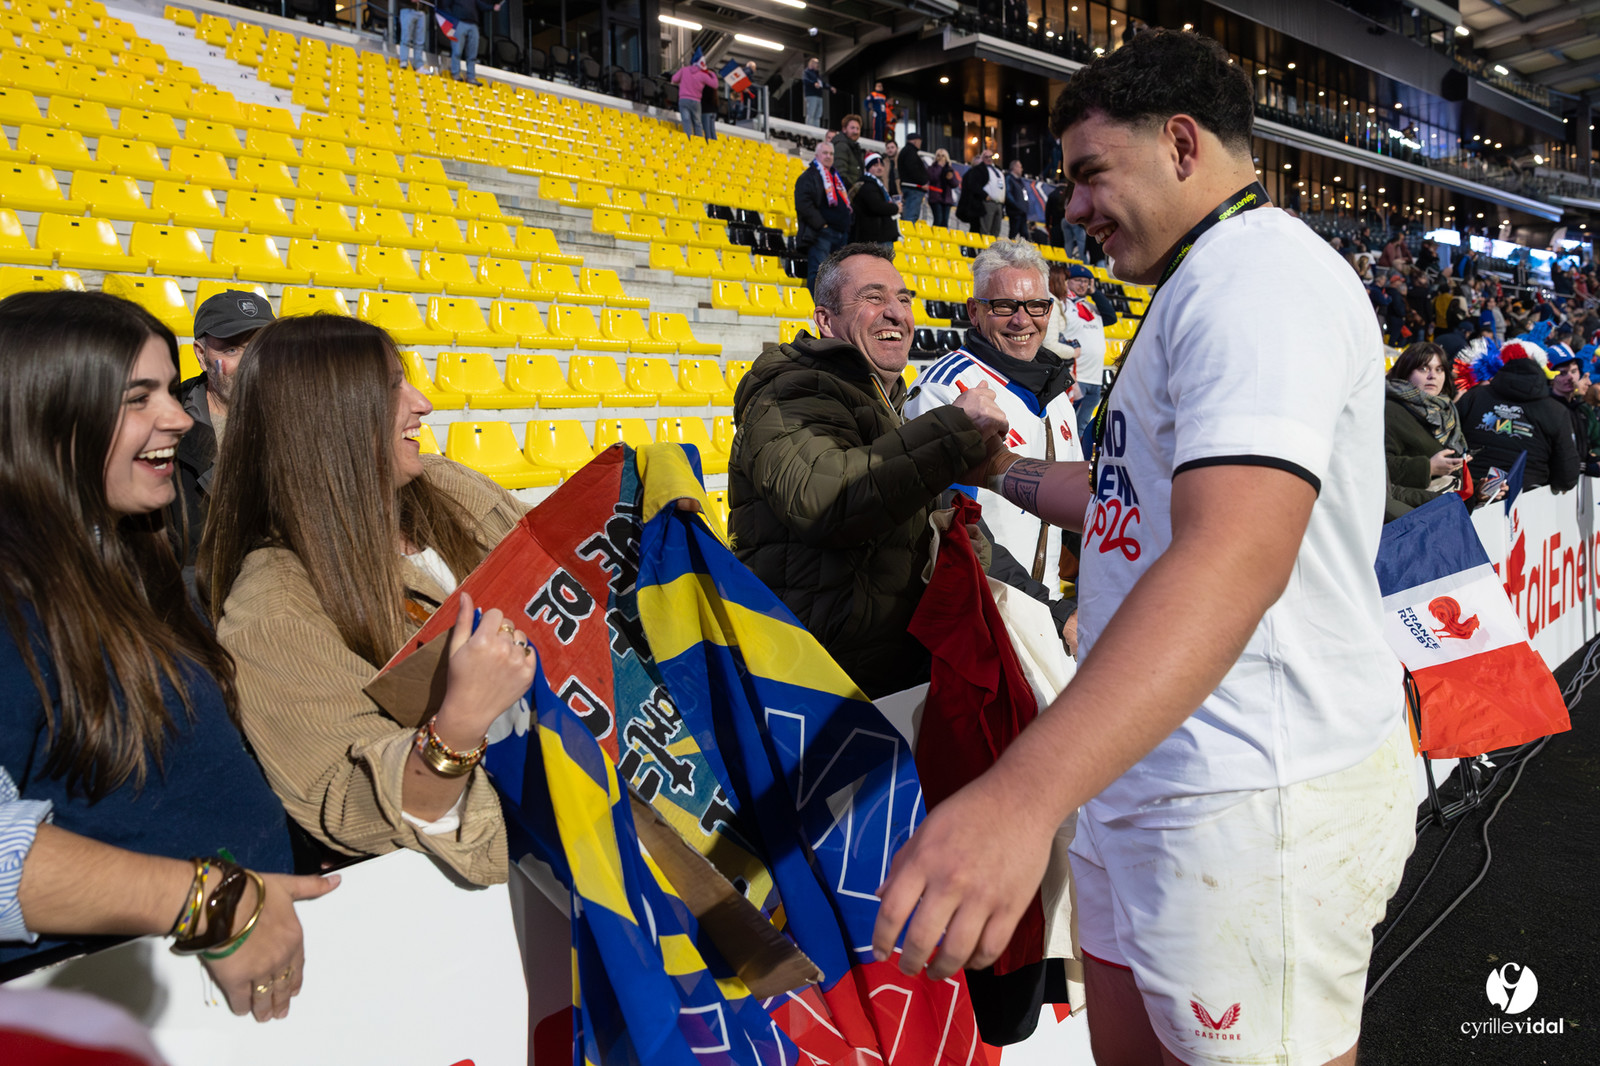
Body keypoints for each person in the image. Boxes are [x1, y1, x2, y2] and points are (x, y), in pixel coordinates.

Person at [873, 31, 1415, 1066]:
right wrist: (999, 473)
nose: (1070, 207)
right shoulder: (1207, 280)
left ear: (1178, 144)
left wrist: (1024, 795)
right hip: (1154, 770)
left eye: (1087, 175)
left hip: (1253, 790)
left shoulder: (1257, 281)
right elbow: (1131, 500)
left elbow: (1231, 556)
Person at [0, 291, 337, 1020]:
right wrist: (208, 904)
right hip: (98, 1014)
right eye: (137, 398)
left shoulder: (129, 554)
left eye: (171, 390)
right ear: (40, 413)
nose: (180, 419)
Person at [199, 316, 537, 889]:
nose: (423, 404)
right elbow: (347, 801)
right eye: (391, 389)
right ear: (325, 417)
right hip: (517, 889)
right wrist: (458, 724)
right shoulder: (272, 609)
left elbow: (564, 571)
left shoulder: (448, 485)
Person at [727, 244, 1008, 699]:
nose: (895, 312)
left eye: (903, 299)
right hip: (814, 688)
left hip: (882, 679)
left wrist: (945, 544)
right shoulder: (790, 391)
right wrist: (955, 429)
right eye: (873, 298)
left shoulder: (883, 403)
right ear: (824, 320)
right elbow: (826, 500)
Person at [905, 238, 1080, 646]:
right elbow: (957, 527)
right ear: (974, 311)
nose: (1023, 321)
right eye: (1004, 306)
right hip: (981, 621)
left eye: (1036, 306)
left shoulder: (1058, 399)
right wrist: (1049, 610)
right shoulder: (945, 390)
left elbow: (1074, 514)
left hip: (1042, 618)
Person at [171, 290, 276, 572]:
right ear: (202, 355)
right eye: (231, 349)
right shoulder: (165, 423)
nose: (248, 364)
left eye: (259, 349)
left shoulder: (301, 419)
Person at [1457, 339, 1580, 495]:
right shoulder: (1556, 410)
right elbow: (1566, 476)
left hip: (1470, 498)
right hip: (1526, 502)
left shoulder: (1473, 396)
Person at [1384, 342, 1470, 516]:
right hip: (1412, 514)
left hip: (1446, 505)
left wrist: (1481, 487)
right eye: (1423, 369)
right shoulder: (1390, 409)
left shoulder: (1446, 409)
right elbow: (1379, 467)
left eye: (1439, 369)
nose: (1433, 376)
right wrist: (1428, 468)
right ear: (1406, 372)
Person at [1048, 263, 1116, 446]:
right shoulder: (1063, 305)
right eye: (1078, 280)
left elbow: (1112, 317)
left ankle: (1078, 460)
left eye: (1086, 282)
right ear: (1067, 281)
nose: (1082, 285)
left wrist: (1094, 292)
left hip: (1095, 377)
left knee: (1084, 425)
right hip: (1077, 377)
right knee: (1067, 424)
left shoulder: (1092, 307)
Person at [795, 139, 853, 293]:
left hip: (840, 233)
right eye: (825, 153)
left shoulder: (835, 177)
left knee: (837, 277)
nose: (829, 156)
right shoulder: (809, 176)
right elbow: (803, 204)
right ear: (816, 155)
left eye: (831, 153)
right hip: (822, 233)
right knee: (819, 273)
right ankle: (816, 309)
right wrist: (822, 225)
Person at [1547, 347, 1600, 476]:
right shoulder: (1546, 408)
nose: (1571, 377)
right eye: (1562, 373)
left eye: (1574, 371)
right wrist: (1585, 466)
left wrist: (1592, 459)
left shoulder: (1581, 409)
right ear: (1551, 378)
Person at [849, 152, 899, 249]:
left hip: (879, 236)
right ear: (868, 168)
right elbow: (877, 206)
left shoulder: (877, 184)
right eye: (875, 165)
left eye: (881, 165)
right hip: (875, 238)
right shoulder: (868, 185)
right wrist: (895, 208)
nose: (879, 168)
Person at [444, 0, 501, 85]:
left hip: (473, 24)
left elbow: (481, 5)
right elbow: (445, 5)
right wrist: (451, 19)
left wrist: (492, 7)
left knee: (472, 54)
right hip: (459, 22)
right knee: (457, 51)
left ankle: (471, 77)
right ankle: (456, 74)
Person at [671, 51, 718, 140]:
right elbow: (715, 85)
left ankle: (688, 140)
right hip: (696, 101)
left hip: (683, 99)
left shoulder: (684, 70)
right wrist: (712, 74)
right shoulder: (703, 75)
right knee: (697, 122)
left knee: (686, 120)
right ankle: (698, 142)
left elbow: (674, 79)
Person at [897, 132, 930, 226]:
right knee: (911, 216)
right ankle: (907, 237)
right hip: (913, 188)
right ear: (915, 141)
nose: (920, 144)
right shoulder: (910, 153)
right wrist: (923, 182)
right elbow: (913, 170)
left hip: (908, 187)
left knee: (907, 214)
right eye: (920, 141)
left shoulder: (906, 151)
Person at [833, 114, 866, 190]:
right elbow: (840, 173)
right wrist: (852, 189)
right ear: (844, 129)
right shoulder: (841, 146)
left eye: (858, 128)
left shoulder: (854, 147)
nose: (856, 131)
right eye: (852, 128)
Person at [928, 148, 958, 229]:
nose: (941, 158)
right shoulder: (932, 168)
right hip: (935, 198)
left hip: (946, 199)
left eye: (943, 156)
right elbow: (933, 178)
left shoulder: (950, 169)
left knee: (945, 222)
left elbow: (955, 184)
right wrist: (939, 167)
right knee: (938, 220)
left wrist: (950, 178)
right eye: (938, 155)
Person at [395, 0, 429, 72]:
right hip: (407, 9)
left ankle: (419, 66)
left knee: (420, 41)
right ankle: (403, 61)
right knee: (405, 38)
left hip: (421, 11)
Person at [801, 57, 832, 129]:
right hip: (811, 95)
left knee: (818, 115)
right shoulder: (807, 72)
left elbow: (822, 84)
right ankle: (808, 130)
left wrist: (830, 87)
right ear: (812, 63)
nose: (818, 65)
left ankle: (816, 130)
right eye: (816, 63)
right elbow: (805, 80)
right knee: (811, 113)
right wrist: (813, 84)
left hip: (819, 96)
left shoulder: (817, 74)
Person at [1004, 160, 1030, 240]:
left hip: (1022, 212)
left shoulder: (1020, 181)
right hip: (1015, 212)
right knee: (1013, 234)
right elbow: (1008, 194)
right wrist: (1017, 206)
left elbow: (1024, 196)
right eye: (1020, 167)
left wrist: (1025, 208)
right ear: (1014, 167)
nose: (1022, 169)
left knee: (1025, 235)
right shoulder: (1009, 178)